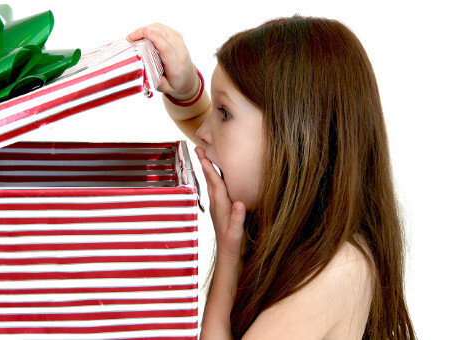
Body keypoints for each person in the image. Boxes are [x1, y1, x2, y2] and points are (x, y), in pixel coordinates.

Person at [128, 15, 415, 339]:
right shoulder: (301, 231)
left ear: (293, 138)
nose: (205, 132)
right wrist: (186, 87)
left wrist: (228, 259)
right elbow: (215, 136)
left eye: (224, 113)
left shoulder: (336, 271)